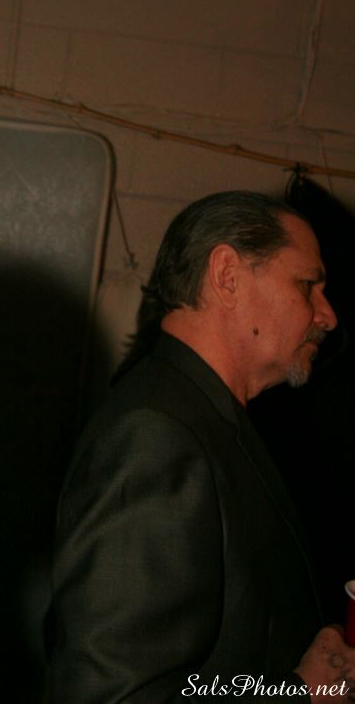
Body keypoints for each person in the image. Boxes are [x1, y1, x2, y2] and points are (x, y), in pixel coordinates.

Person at [47, 190, 355, 703]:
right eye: (307, 285)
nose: (328, 315)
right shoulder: (156, 435)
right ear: (227, 275)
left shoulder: (204, 416)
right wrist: (298, 693)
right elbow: (116, 695)